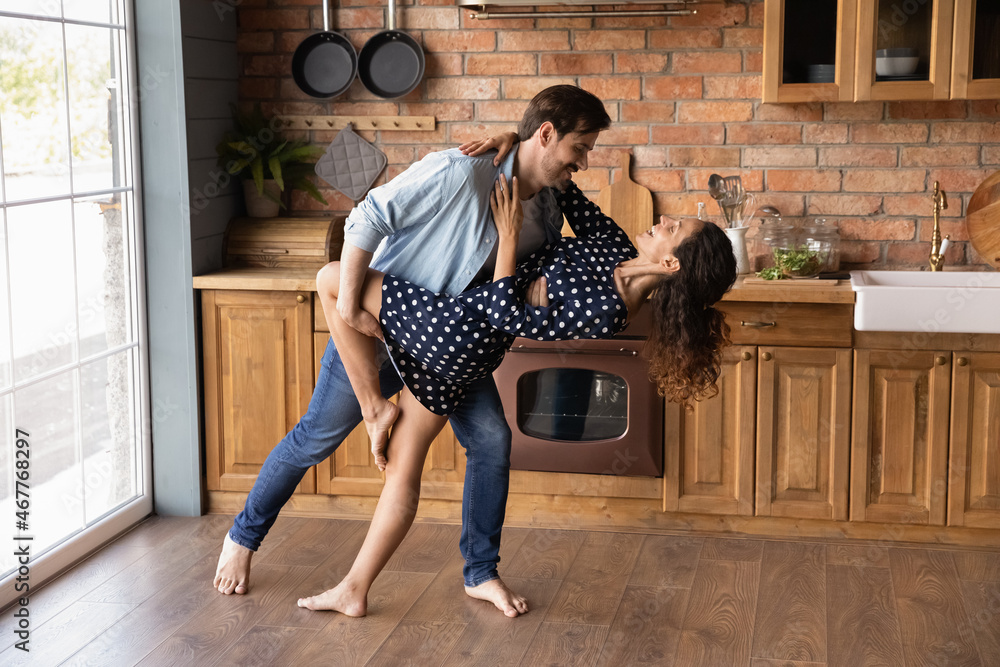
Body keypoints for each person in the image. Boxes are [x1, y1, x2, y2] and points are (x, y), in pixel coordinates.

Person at [213, 85, 612, 618]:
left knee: (492, 441)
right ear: (545, 134)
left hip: (450, 352)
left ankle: (480, 573)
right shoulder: (460, 172)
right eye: (579, 148)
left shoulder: (549, 209)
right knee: (315, 438)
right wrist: (349, 303)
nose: (583, 163)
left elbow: (506, 289)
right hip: (379, 335)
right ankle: (242, 539)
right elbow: (368, 216)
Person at [295, 153, 738, 616]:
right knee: (409, 468)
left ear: (670, 263)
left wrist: (509, 237)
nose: (663, 220)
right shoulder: (614, 245)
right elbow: (562, 183)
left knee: (331, 278)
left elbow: (507, 315)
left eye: (673, 228)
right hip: (465, 339)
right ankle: (361, 588)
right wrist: (512, 142)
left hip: (458, 331)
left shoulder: (611, 309)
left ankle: (373, 407)